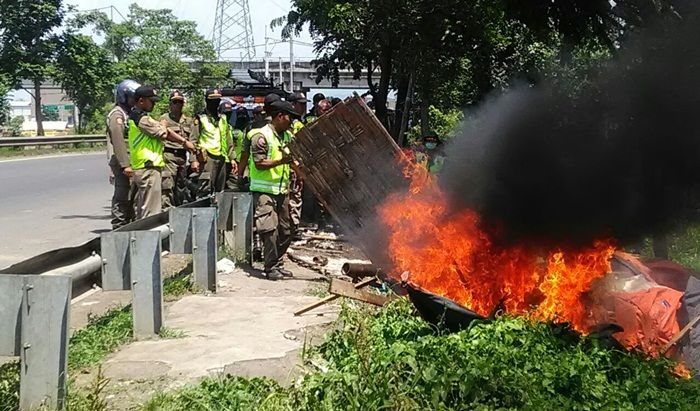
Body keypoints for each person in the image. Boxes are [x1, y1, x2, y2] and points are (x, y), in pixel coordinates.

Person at [128, 86, 196, 219]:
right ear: (141, 101)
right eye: (151, 101)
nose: (154, 104)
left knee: (147, 208)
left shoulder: (143, 117)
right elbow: (163, 132)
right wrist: (164, 125)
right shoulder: (141, 119)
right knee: (151, 212)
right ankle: (149, 237)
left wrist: (183, 142)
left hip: (149, 167)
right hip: (147, 167)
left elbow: (165, 131)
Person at [249, 100, 297, 280]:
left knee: (286, 229)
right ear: (279, 116)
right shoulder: (261, 136)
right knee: (269, 230)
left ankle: (277, 262)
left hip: (281, 190)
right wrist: (281, 162)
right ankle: (270, 267)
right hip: (264, 191)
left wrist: (298, 176)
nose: (291, 121)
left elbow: (292, 160)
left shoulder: (286, 137)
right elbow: (259, 163)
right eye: (289, 117)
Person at [107, 79, 140, 229]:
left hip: (130, 160)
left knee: (132, 197)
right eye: (132, 97)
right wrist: (125, 165)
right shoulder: (117, 115)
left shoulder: (129, 114)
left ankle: (129, 225)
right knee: (122, 197)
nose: (135, 101)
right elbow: (118, 140)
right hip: (122, 162)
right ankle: (118, 227)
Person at [160, 90, 197, 209]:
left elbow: (193, 141)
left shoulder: (188, 121)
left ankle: (179, 209)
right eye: (175, 102)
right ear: (170, 104)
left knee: (181, 186)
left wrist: (193, 160)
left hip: (182, 156)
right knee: (167, 185)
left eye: (180, 102)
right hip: (168, 155)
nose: (177, 105)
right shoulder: (164, 119)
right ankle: (166, 210)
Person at [192, 88, 230, 196]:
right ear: (207, 101)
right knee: (205, 187)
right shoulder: (200, 118)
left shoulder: (223, 118)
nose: (215, 103)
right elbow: (193, 140)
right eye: (212, 100)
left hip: (221, 157)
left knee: (220, 190)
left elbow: (228, 140)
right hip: (207, 157)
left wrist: (232, 159)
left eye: (218, 100)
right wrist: (194, 160)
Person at [238, 93, 281, 183]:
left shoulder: (252, 127)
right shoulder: (284, 124)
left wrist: (240, 175)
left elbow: (244, 154)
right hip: (280, 179)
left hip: (258, 178)